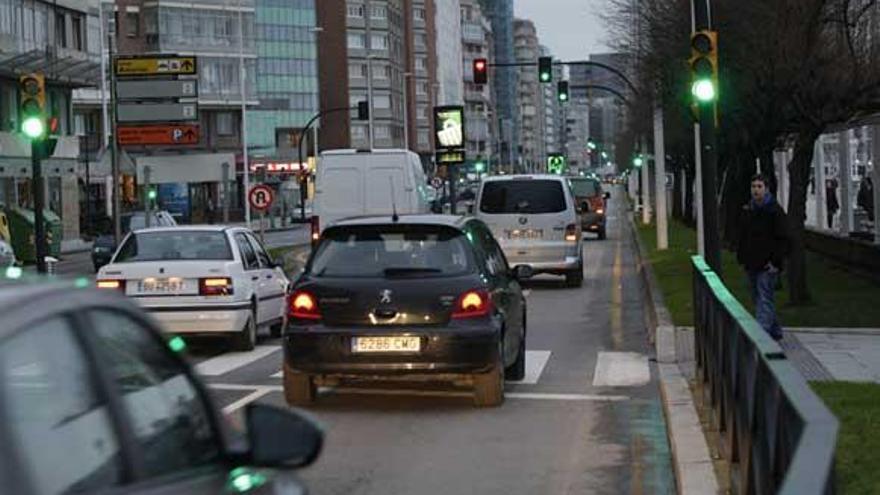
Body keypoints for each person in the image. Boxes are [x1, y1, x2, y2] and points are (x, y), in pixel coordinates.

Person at [737, 174, 790, 341]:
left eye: (759, 186)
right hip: (752, 262)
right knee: (757, 297)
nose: (756, 190)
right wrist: (742, 257)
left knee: (764, 297)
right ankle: (775, 329)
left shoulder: (774, 211)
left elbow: (782, 238)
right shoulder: (748, 210)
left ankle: (762, 337)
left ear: (766, 189)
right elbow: (743, 236)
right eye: (753, 186)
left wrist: (775, 261)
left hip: (768, 264)